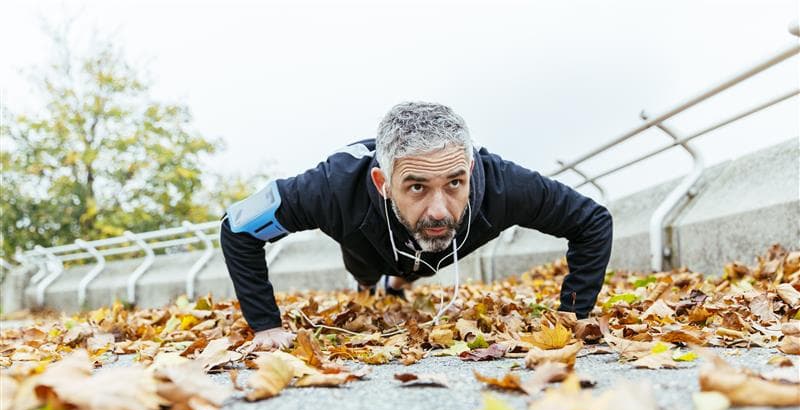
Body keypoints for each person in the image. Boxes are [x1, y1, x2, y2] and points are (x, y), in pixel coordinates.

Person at [220, 102, 613, 350]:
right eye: (417, 187)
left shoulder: (504, 185)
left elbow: (593, 221)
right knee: (368, 270)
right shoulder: (329, 188)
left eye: (455, 183)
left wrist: (572, 317)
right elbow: (237, 228)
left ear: (470, 169)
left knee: (422, 257)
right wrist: (266, 325)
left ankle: (401, 282)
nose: (439, 209)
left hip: (436, 252)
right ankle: (374, 284)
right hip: (366, 244)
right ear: (384, 184)